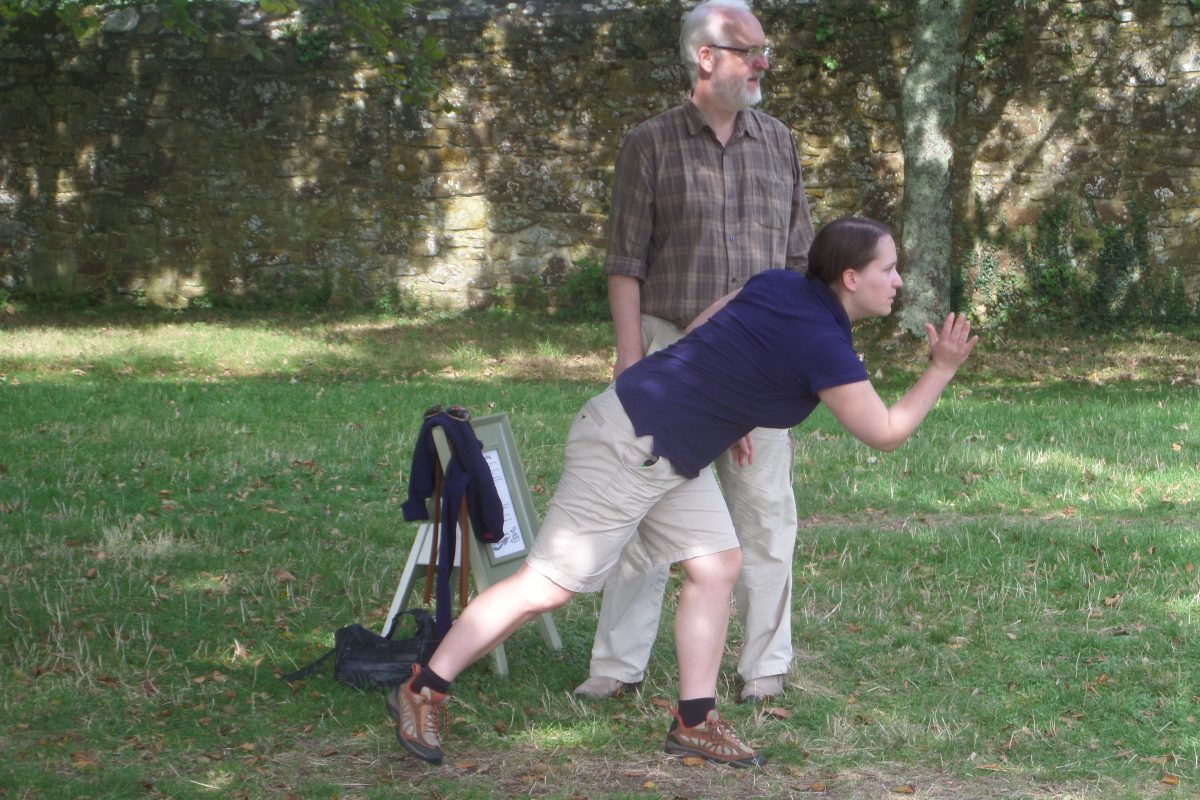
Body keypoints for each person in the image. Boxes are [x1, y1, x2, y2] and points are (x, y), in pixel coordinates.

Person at [385, 217, 979, 768]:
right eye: (889, 268)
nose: (897, 280)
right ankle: (422, 688)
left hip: (663, 448)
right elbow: (886, 432)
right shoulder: (826, 343)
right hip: (630, 443)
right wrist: (942, 368)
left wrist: (733, 410)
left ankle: (695, 720)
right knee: (547, 586)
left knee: (718, 565)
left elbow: (706, 333)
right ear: (851, 277)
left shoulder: (778, 285)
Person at [588, 0, 815, 705]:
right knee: (644, 510)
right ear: (705, 58)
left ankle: (764, 667)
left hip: (762, 353)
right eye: (748, 49)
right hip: (668, 349)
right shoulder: (648, 143)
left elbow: (800, 262)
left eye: (764, 47)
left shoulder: (779, 142)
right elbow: (625, 262)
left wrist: (769, 376)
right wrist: (632, 365)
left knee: (765, 512)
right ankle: (616, 667)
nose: (763, 62)